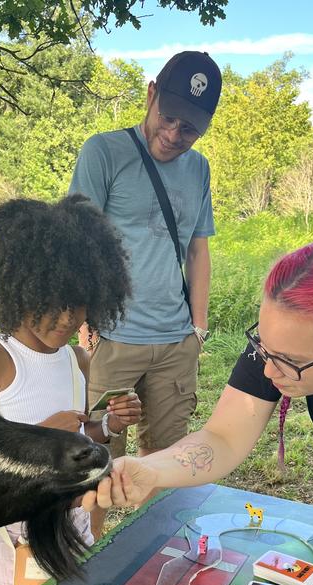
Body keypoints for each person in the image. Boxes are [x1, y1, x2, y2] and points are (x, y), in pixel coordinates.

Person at [82, 242, 313, 535]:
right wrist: (151, 469)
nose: (266, 368)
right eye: (264, 347)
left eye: (287, 361)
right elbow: (223, 436)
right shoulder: (287, 334)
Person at [0, 195, 142, 585]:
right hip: (14, 528)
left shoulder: (78, 360)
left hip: (72, 515)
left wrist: (108, 425)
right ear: (19, 289)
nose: (66, 317)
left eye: (78, 303)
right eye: (52, 301)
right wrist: (39, 438)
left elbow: (81, 440)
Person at [69, 51, 222, 531]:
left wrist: (197, 327)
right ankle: (91, 558)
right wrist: (82, 324)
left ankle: (156, 549)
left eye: (189, 129)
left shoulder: (199, 170)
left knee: (168, 457)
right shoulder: (103, 152)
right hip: (113, 340)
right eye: (169, 118)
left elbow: (198, 250)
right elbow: (77, 245)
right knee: (97, 460)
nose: (174, 135)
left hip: (176, 343)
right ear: (151, 94)